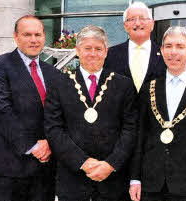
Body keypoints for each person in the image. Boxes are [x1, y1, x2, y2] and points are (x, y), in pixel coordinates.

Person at [44, 25, 137, 201]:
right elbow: (54, 129)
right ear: (78, 51)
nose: (93, 53)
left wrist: (111, 164)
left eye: (98, 49)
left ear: (106, 52)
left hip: (113, 181)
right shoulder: (59, 84)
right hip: (73, 179)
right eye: (87, 48)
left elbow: (130, 129)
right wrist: (83, 162)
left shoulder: (123, 85)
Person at [129, 26, 186, 201]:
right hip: (151, 181)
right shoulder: (149, 88)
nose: (173, 52)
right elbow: (140, 135)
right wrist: (135, 178)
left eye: (180, 46)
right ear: (162, 51)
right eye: (168, 46)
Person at [0, 15, 57, 201]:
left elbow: (58, 114)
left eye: (38, 34)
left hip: (45, 169)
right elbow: (1, 110)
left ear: (44, 37)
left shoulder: (53, 72)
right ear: (16, 37)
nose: (33, 39)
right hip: (9, 168)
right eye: (27, 34)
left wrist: (50, 143)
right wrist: (33, 146)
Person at [104, 1, 166, 92]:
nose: (137, 23)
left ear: (152, 24)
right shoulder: (110, 54)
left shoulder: (165, 54)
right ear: (125, 26)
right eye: (132, 19)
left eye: (142, 18)